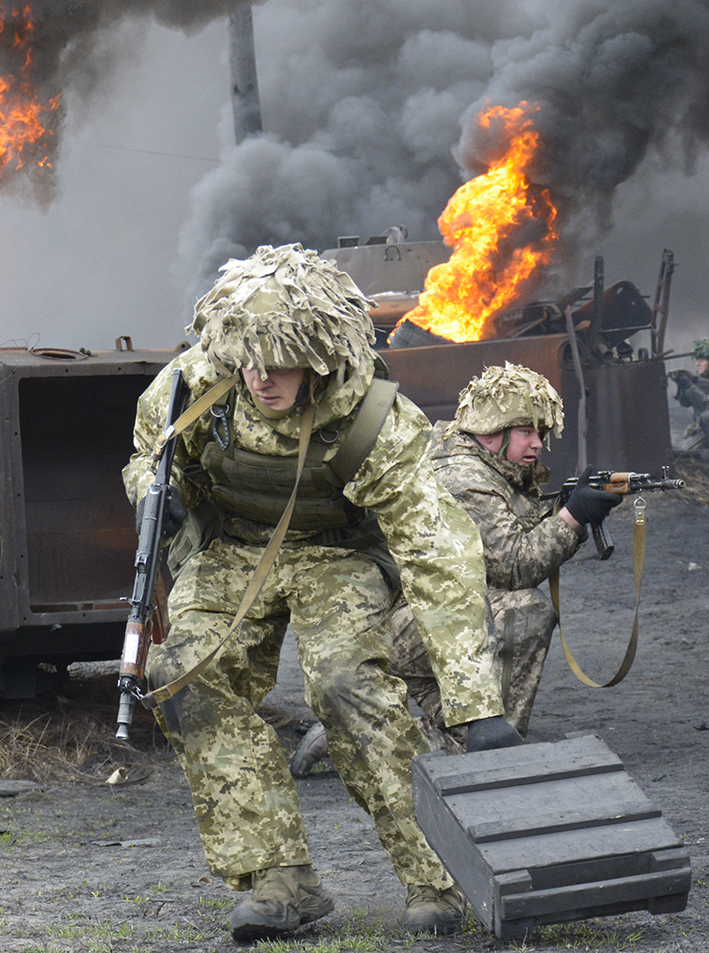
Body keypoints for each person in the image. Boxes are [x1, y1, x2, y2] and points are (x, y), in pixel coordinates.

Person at [123, 243, 518, 944]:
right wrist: (160, 497)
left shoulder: (374, 417)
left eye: (279, 363)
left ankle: (436, 876)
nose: (259, 377)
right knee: (186, 678)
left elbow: (437, 549)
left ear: (319, 353)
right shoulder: (189, 387)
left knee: (345, 687)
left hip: (336, 552)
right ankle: (279, 881)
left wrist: (474, 701)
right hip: (233, 549)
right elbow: (146, 465)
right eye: (248, 361)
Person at [290, 363, 622, 768]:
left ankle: (362, 733)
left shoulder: (482, 460)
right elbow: (514, 566)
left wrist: (562, 512)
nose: (537, 444)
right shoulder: (464, 476)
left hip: (421, 615)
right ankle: (452, 746)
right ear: (490, 430)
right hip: (395, 626)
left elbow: (498, 547)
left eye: (541, 433)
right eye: (526, 432)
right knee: (525, 611)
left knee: (459, 722)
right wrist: (571, 519)